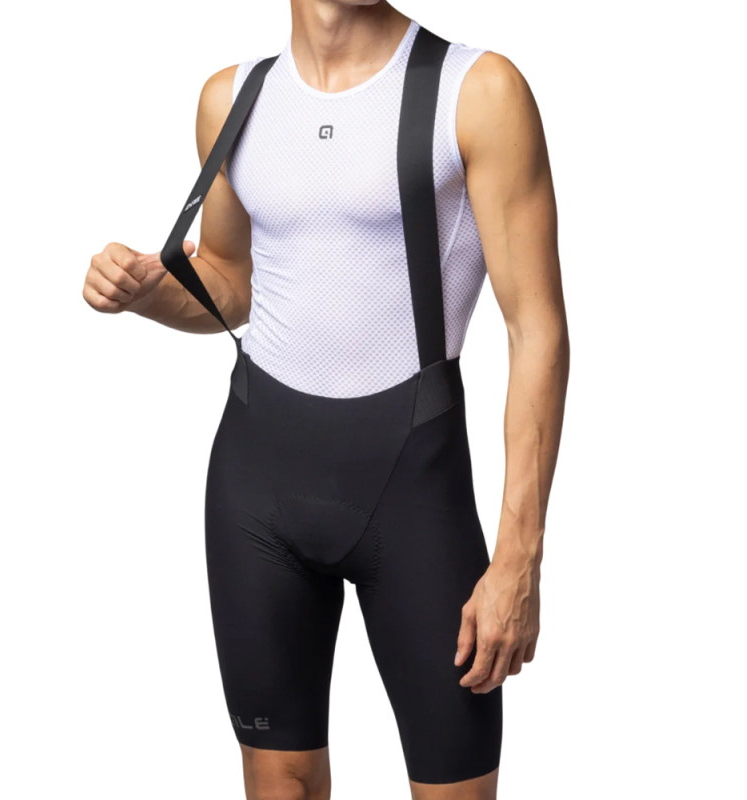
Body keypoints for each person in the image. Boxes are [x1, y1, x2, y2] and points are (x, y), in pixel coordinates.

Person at [82, 1, 569, 798]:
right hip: (256, 489)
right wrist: (146, 292)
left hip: (414, 493)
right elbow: (230, 282)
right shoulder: (232, 98)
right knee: (282, 782)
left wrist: (520, 557)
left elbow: (536, 331)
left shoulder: (478, 91)